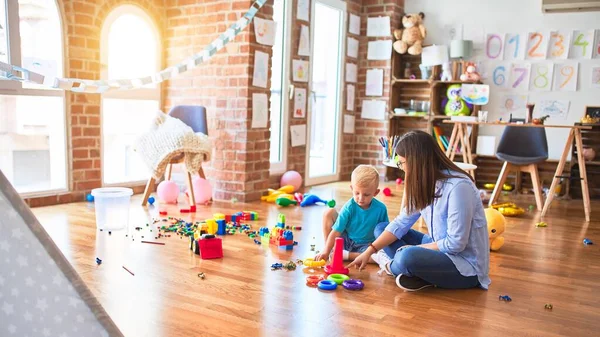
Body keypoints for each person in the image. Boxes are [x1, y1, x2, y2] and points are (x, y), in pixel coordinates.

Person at [348, 130, 490, 292]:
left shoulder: (459, 187)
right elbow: (401, 223)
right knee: (381, 229)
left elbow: (456, 244)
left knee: (407, 256)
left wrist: (413, 250)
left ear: (416, 162)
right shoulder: (425, 183)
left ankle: (392, 266)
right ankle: (419, 274)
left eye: (402, 163)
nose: (401, 169)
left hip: (464, 266)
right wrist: (370, 250)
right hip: (438, 247)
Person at [315, 165, 389, 262]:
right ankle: (330, 251)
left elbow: (385, 232)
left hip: (366, 245)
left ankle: (347, 255)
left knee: (378, 258)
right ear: (352, 188)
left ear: (375, 192)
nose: (361, 198)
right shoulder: (349, 207)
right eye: (357, 193)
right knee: (328, 212)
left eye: (366, 194)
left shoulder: (381, 209)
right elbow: (336, 232)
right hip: (346, 240)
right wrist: (325, 251)